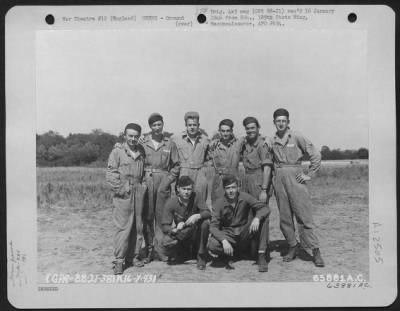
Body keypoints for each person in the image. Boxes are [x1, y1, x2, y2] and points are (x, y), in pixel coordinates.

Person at [270, 108, 324, 267]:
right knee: (285, 217)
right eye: (278, 121)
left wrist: (310, 174)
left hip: (295, 176)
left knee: (304, 215)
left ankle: (315, 250)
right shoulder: (271, 140)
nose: (280, 123)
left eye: (283, 121)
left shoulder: (297, 136)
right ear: (274, 122)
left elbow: (315, 154)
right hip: (279, 178)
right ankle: (293, 246)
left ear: (288, 122)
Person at [106, 123, 147, 274]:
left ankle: (134, 256)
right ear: (125, 136)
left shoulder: (141, 151)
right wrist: (121, 189)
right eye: (130, 135)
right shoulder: (117, 152)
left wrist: (143, 186)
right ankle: (119, 260)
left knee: (138, 225)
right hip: (124, 192)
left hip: (139, 191)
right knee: (123, 226)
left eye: (136, 136)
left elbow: (143, 172)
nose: (133, 139)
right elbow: (111, 174)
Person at [207, 175, 270, 272]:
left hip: (244, 231)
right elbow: (213, 227)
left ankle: (261, 256)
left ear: (238, 188)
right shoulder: (219, 203)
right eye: (228, 188)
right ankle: (227, 255)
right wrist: (224, 240)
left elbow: (265, 208)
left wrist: (257, 218)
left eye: (233, 187)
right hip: (229, 234)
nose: (231, 191)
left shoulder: (244, 196)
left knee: (264, 220)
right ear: (224, 189)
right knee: (212, 244)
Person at [140, 113, 180, 263]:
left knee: (163, 218)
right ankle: (150, 250)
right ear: (150, 127)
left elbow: (176, 165)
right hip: (147, 181)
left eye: (159, 124)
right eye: (154, 125)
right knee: (148, 217)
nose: (157, 128)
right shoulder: (143, 142)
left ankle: (161, 249)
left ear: (163, 124)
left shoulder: (169, 143)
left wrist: (168, 180)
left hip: (163, 181)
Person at [161, 176, 211, 270]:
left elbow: (208, 212)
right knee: (166, 242)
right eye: (184, 189)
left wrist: (197, 216)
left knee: (205, 223)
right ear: (178, 189)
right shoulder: (171, 203)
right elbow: (164, 226)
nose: (186, 192)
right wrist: (174, 229)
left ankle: (200, 255)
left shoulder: (196, 196)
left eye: (189, 189)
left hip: (195, 232)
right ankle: (184, 253)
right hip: (182, 234)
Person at [172, 112, 210, 203]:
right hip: (184, 172)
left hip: (199, 173)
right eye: (189, 125)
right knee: (183, 201)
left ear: (198, 125)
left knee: (200, 200)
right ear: (185, 125)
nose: (192, 127)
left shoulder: (205, 140)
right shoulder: (176, 139)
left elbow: (209, 157)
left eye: (194, 125)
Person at [207, 119, 242, 203]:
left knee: (234, 207)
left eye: (227, 131)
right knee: (218, 206)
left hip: (233, 180)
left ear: (231, 131)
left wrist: (267, 139)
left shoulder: (239, 143)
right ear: (219, 131)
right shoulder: (213, 146)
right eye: (223, 131)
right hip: (219, 181)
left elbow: (253, 136)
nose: (225, 133)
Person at [240, 117, 273, 204]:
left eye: (253, 128)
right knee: (248, 212)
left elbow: (267, 169)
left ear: (258, 128)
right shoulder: (245, 143)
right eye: (247, 128)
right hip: (246, 180)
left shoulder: (263, 144)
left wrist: (264, 190)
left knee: (260, 210)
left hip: (258, 182)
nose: (250, 131)